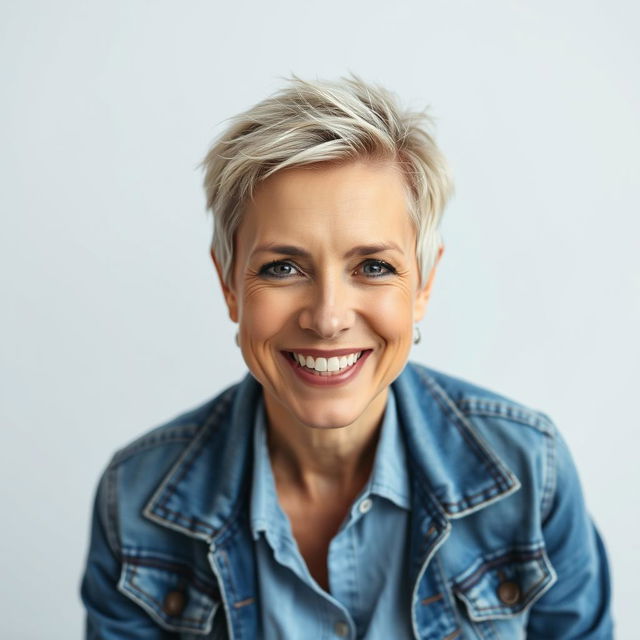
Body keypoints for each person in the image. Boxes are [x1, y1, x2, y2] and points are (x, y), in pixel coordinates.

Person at [80, 75, 613, 639]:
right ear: (230, 284)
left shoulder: (532, 475)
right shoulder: (136, 499)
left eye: (374, 267)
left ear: (425, 284)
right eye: (282, 267)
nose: (328, 317)